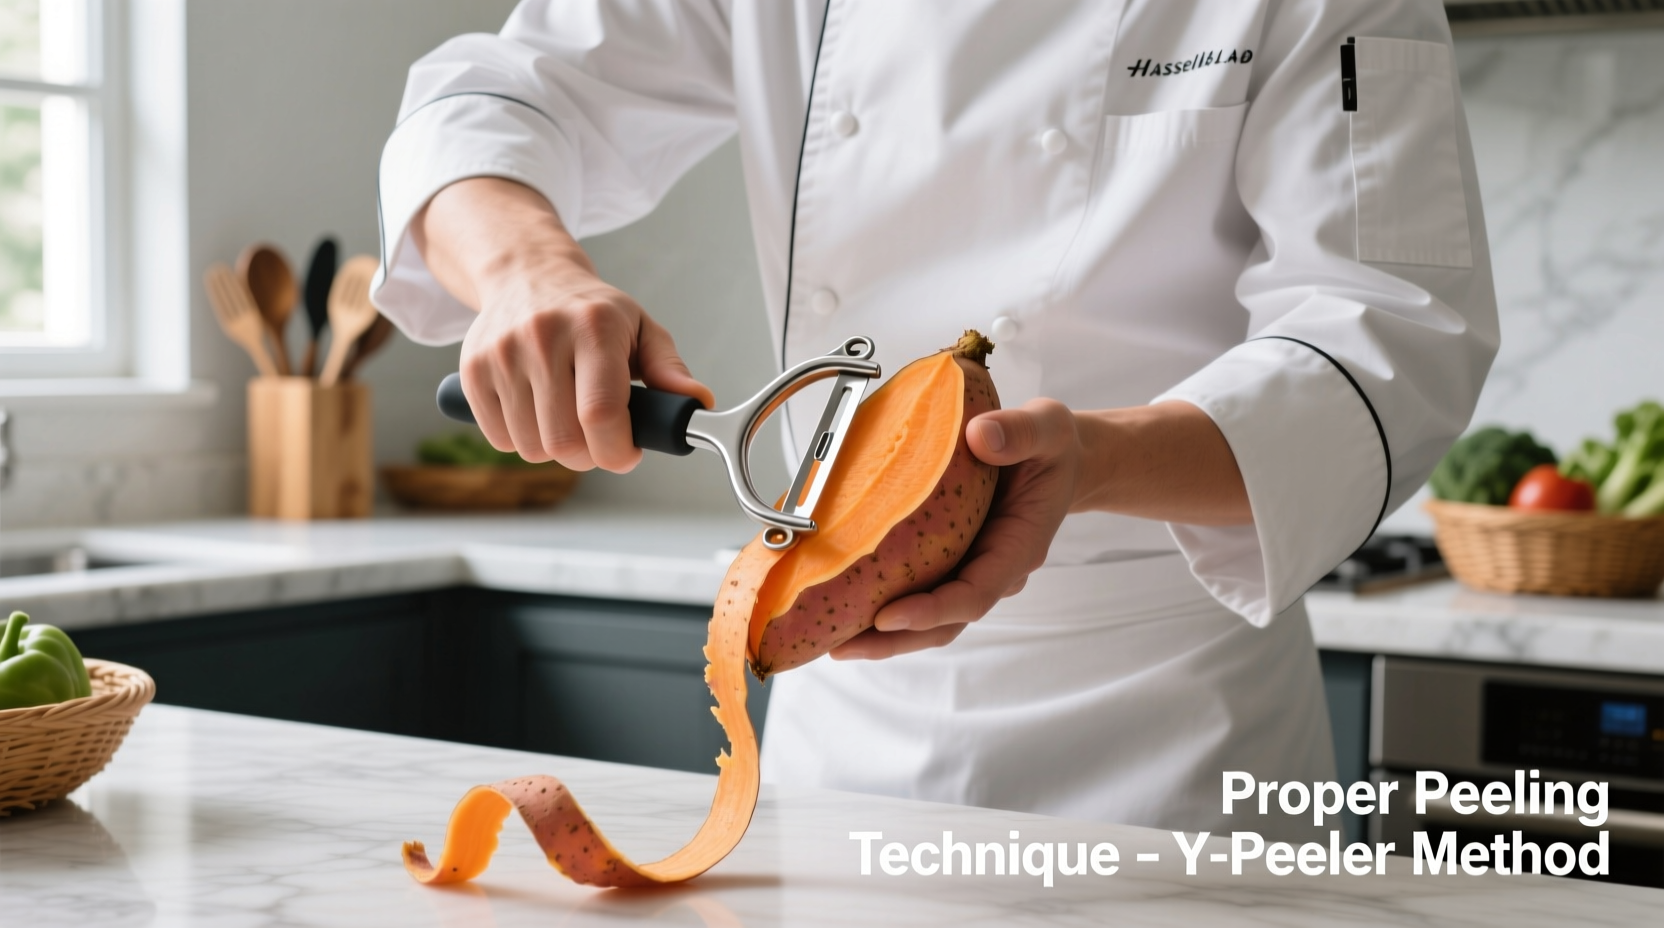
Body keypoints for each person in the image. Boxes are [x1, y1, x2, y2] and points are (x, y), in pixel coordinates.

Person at [372, 0, 1496, 839]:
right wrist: (524, 268)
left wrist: (1091, 461)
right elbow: (495, 97)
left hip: (1166, 743)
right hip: (839, 726)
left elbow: (1388, 338)